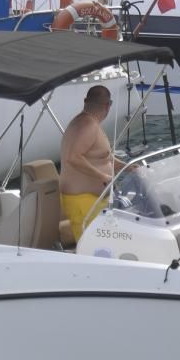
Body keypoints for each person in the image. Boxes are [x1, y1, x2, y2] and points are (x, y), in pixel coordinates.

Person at [59, 85, 126, 242]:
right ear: (109, 105)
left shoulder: (89, 123)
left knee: (105, 246)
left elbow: (104, 158)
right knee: (94, 248)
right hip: (83, 201)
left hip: (93, 201)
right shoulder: (87, 125)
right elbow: (73, 157)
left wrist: (128, 167)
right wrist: (103, 176)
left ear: (85, 101)